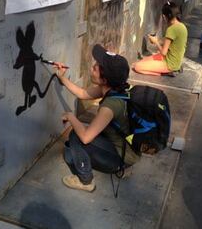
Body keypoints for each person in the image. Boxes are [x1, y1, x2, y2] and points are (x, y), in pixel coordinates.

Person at [54, 45, 140, 192]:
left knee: (76, 136)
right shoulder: (115, 89)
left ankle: (85, 180)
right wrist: (61, 77)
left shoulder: (110, 106)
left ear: (104, 79)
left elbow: (86, 138)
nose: (92, 67)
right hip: (127, 149)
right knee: (84, 133)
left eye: (96, 67)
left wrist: (70, 117)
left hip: (121, 157)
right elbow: (82, 93)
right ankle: (124, 165)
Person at [133, 2, 188, 76]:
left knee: (137, 67)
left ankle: (166, 72)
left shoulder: (171, 29)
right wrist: (157, 40)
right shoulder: (182, 26)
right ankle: (174, 68)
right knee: (142, 61)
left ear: (164, 16)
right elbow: (170, 42)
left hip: (169, 64)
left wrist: (156, 42)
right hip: (176, 60)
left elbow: (163, 52)